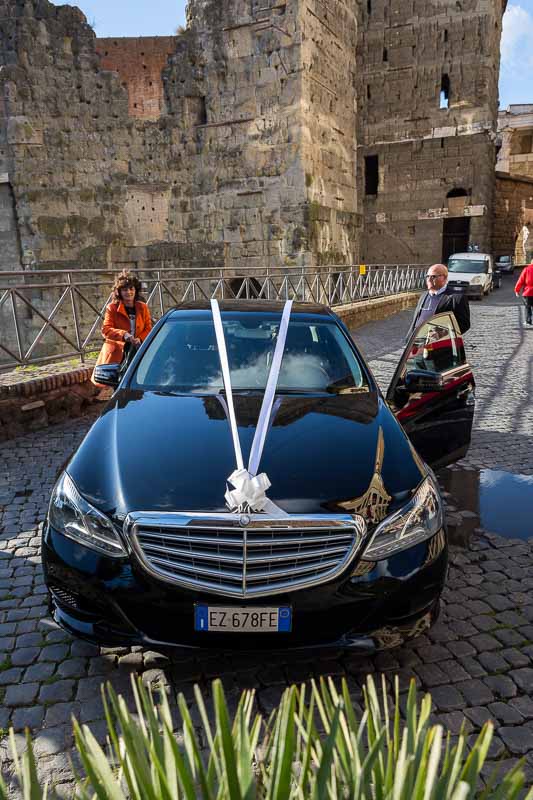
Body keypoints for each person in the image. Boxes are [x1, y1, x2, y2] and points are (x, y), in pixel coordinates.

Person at [91, 270, 152, 385]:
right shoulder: (112, 308)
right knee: (117, 383)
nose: (128, 292)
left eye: (131, 289)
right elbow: (106, 330)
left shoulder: (142, 307)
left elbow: (148, 328)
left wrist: (140, 339)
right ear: (119, 292)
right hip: (118, 352)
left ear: (136, 290)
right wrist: (124, 335)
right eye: (124, 290)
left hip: (138, 349)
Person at [406, 263, 470, 340]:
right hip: (417, 343)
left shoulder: (456, 298)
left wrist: (440, 334)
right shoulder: (424, 295)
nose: (429, 279)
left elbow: (464, 324)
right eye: (427, 276)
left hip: (439, 345)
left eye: (433, 276)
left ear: (445, 278)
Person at [515, 261, 533, 327]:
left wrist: (517, 290)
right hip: (528, 292)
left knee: (527, 307)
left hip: (527, 292)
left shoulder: (527, 269)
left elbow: (521, 280)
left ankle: (528, 321)